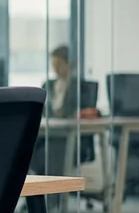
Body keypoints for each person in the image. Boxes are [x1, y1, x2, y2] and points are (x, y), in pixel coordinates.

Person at [33, 45, 98, 176]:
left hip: (71, 139)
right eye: (53, 64)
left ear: (69, 64)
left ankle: (52, 194)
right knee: (25, 150)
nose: (55, 68)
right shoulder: (48, 85)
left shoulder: (80, 86)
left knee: (46, 154)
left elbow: (85, 113)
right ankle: (35, 193)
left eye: (59, 64)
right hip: (49, 135)